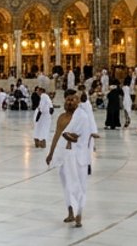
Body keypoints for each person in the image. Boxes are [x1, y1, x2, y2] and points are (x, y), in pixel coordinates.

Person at [44, 90, 95, 228]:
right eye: (68, 99)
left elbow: (83, 137)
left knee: (79, 185)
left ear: (77, 101)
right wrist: (51, 153)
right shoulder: (61, 117)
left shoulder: (82, 117)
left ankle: (79, 213)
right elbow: (57, 135)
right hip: (65, 156)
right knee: (67, 185)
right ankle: (71, 212)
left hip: (79, 157)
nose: (70, 102)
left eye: (73, 99)